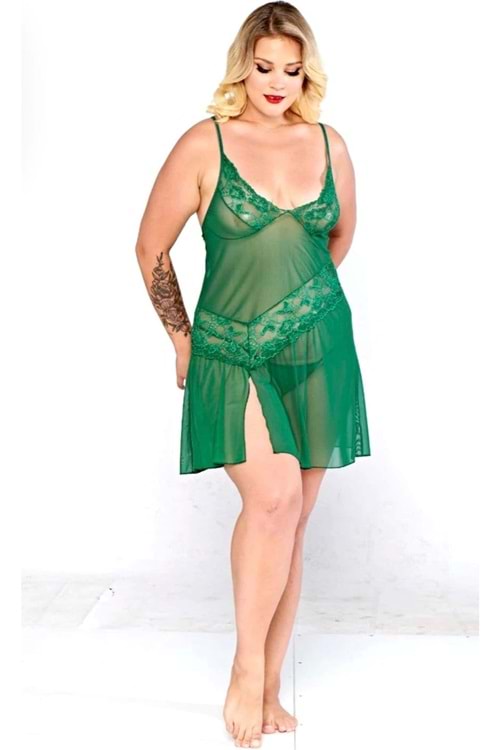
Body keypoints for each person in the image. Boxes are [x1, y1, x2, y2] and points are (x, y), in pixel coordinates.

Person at [135, 2, 371, 747]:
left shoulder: (329, 143)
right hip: (231, 349)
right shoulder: (204, 143)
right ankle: (244, 670)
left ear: (307, 74)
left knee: (291, 519)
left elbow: (337, 236)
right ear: (243, 66)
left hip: (321, 348)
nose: (276, 82)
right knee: (270, 498)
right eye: (264, 67)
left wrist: (302, 302)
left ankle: (269, 686)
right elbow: (151, 248)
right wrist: (182, 340)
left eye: (291, 70)